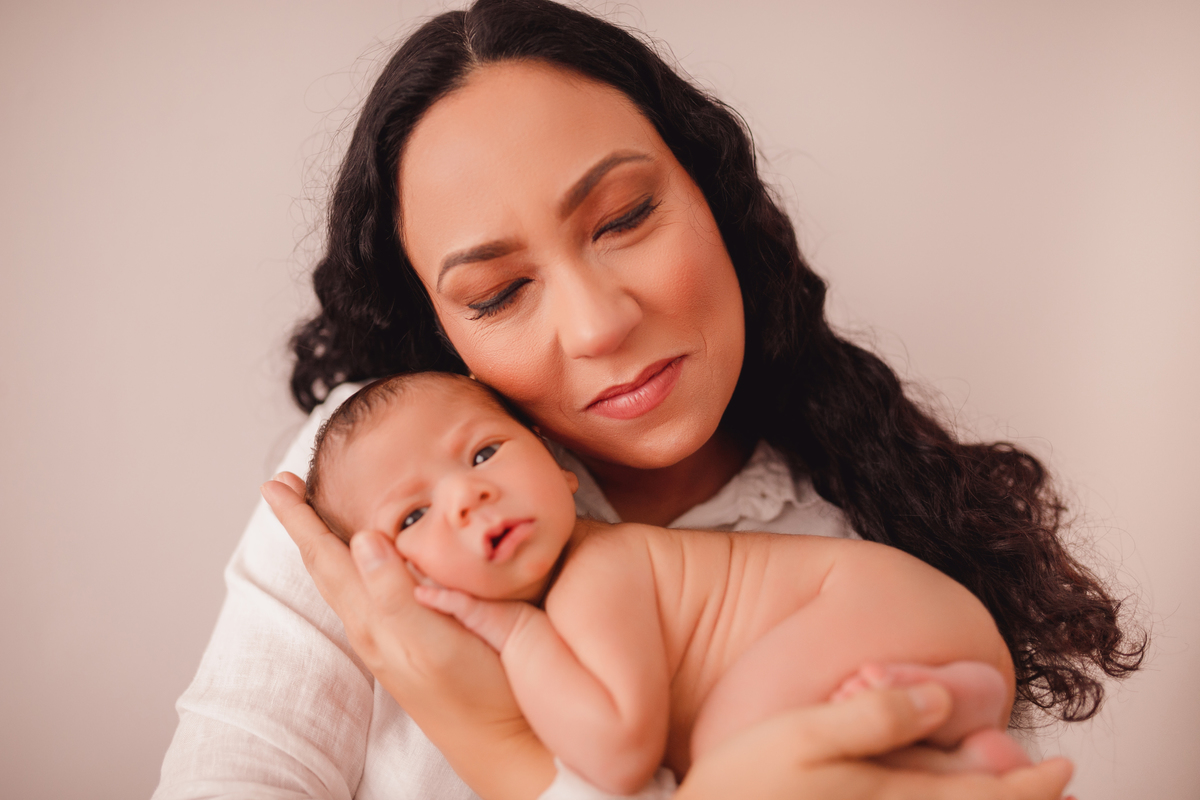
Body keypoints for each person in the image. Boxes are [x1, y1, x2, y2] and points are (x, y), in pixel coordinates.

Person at [154, 1, 1142, 798]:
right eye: (497, 292)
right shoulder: (369, 489)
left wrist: (503, 747)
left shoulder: (881, 552)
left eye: (624, 217)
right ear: (443, 336)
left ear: (715, 193)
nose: (595, 325)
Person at [303, 369, 1029, 797]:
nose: (468, 497)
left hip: (875, 606)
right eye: (415, 514)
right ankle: (962, 737)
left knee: (730, 760)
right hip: (920, 630)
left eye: (485, 452)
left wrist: (517, 632)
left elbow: (618, 756)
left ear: (561, 470)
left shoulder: (598, 573)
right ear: (387, 578)